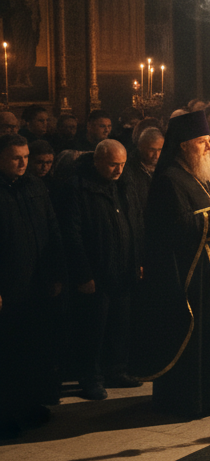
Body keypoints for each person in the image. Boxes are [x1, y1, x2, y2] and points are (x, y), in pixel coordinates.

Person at [131, 111, 210, 419]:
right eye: (202, 142)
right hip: (193, 274)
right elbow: (172, 227)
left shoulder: (204, 175)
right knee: (200, 337)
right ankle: (198, 396)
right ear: (184, 145)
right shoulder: (170, 179)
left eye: (209, 141)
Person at [58, 139, 143, 399]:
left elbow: (134, 222)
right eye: (113, 164)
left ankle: (116, 370)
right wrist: (84, 274)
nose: (119, 170)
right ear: (97, 161)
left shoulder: (123, 184)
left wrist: (137, 260)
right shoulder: (77, 187)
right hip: (97, 271)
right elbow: (72, 234)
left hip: (123, 268)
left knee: (120, 325)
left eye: (122, 164)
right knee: (93, 330)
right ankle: (90, 378)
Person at [0, 133, 65, 436]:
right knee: (8, 353)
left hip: (37, 285)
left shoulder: (35, 187)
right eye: (16, 157)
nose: (23, 163)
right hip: (9, 287)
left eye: (26, 157)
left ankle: (30, 405)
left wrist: (56, 274)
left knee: (33, 349)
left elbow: (52, 230)